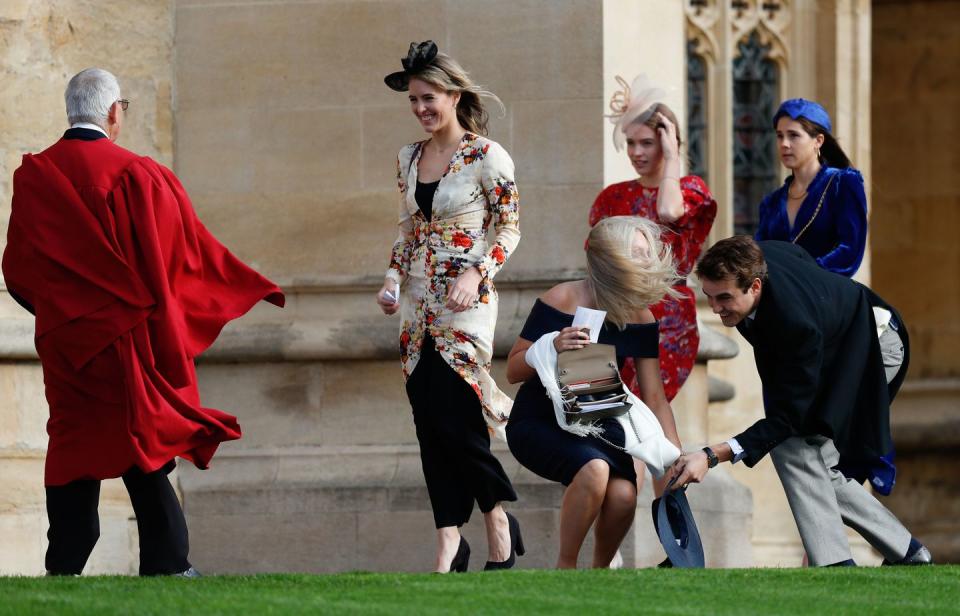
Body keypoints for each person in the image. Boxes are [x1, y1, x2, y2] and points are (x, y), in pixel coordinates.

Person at [2, 68, 285, 577]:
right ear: (114, 113)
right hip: (126, 342)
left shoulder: (35, 177)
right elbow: (178, 260)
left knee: (73, 440)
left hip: (67, 346)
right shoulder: (137, 173)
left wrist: (62, 319)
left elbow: (19, 269)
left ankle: (64, 562)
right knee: (141, 436)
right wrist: (237, 286)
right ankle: (168, 562)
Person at [670, 236, 933, 567]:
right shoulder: (758, 259)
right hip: (835, 347)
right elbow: (798, 254)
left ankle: (837, 565)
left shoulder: (794, 325)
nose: (716, 307)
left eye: (724, 298)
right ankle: (907, 552)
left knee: (794, 448)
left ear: (754, 286)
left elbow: (787, 419)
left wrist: (711, 456)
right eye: (708, 297)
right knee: (814, 464)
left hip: (876, 350)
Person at [376, 41, 522, 573]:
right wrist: (392, 279)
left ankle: (497, 520)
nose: (420, 109)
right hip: (417, 303)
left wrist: (475, 271)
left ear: (454, 95)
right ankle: (448, 537)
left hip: (466, 300)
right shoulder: (407, 157)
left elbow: (509, 229)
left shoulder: (489, 156)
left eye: (429, 97)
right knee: (428, 417)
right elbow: (408, 230)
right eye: (414, 100)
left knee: (458, 414)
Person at [505, 216, 683, 569]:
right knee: (595, 471)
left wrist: (673, 458)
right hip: (540, 420)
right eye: (637, 253)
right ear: (609, 258)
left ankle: (599, 575)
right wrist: (553, 345)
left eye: (648, 253)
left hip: (601, 423)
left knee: (624, 495)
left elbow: (655, 397)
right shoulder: (563, 298)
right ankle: (566, 567)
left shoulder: (642, 318)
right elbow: (512, 370)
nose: (646, 261)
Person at [590, 74, 716, 404]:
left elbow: (670, 211)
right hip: (615, 313)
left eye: (646, 142)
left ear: (668, 141)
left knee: (648, 410)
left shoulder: (692, 190)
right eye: (631, 143)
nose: (636, 152)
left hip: (668, 319)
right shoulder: (611, 198)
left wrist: (673, 159)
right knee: (602, 407)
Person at [754, 98, 867, 277]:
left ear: (818, 141)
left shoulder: (843, 183)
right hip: (781, 299)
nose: (784, 144)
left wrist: (804, 277)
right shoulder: (771, 203)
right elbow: (759, 258)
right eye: (779, 135)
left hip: (827, 296)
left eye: (793, 135)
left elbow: (850, 250)